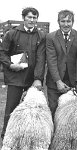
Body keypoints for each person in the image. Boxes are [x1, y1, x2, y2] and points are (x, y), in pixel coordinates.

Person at [0, 7, 46, 140]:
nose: (32, 20)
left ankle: (29, 137)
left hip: (32, 79)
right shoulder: (12, 34)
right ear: (23, 18)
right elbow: (2, 52)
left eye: (35, 17)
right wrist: (10, 64)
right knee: (12, 109)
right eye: (29, 17)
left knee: (32, 110)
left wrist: (38, 79)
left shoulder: (41, 35)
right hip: (16, 78)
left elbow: (40, 59)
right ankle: (6, 136)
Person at [46, 9, 77, 117]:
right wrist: (58, 81)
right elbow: (51, 60)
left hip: (73, 82)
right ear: (58, 22)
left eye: (68, 21)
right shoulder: (51, 37)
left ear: (73, 22)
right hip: (55, 81)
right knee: (54, 109)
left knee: (71, 113)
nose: (66, 24)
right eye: (63, 21)